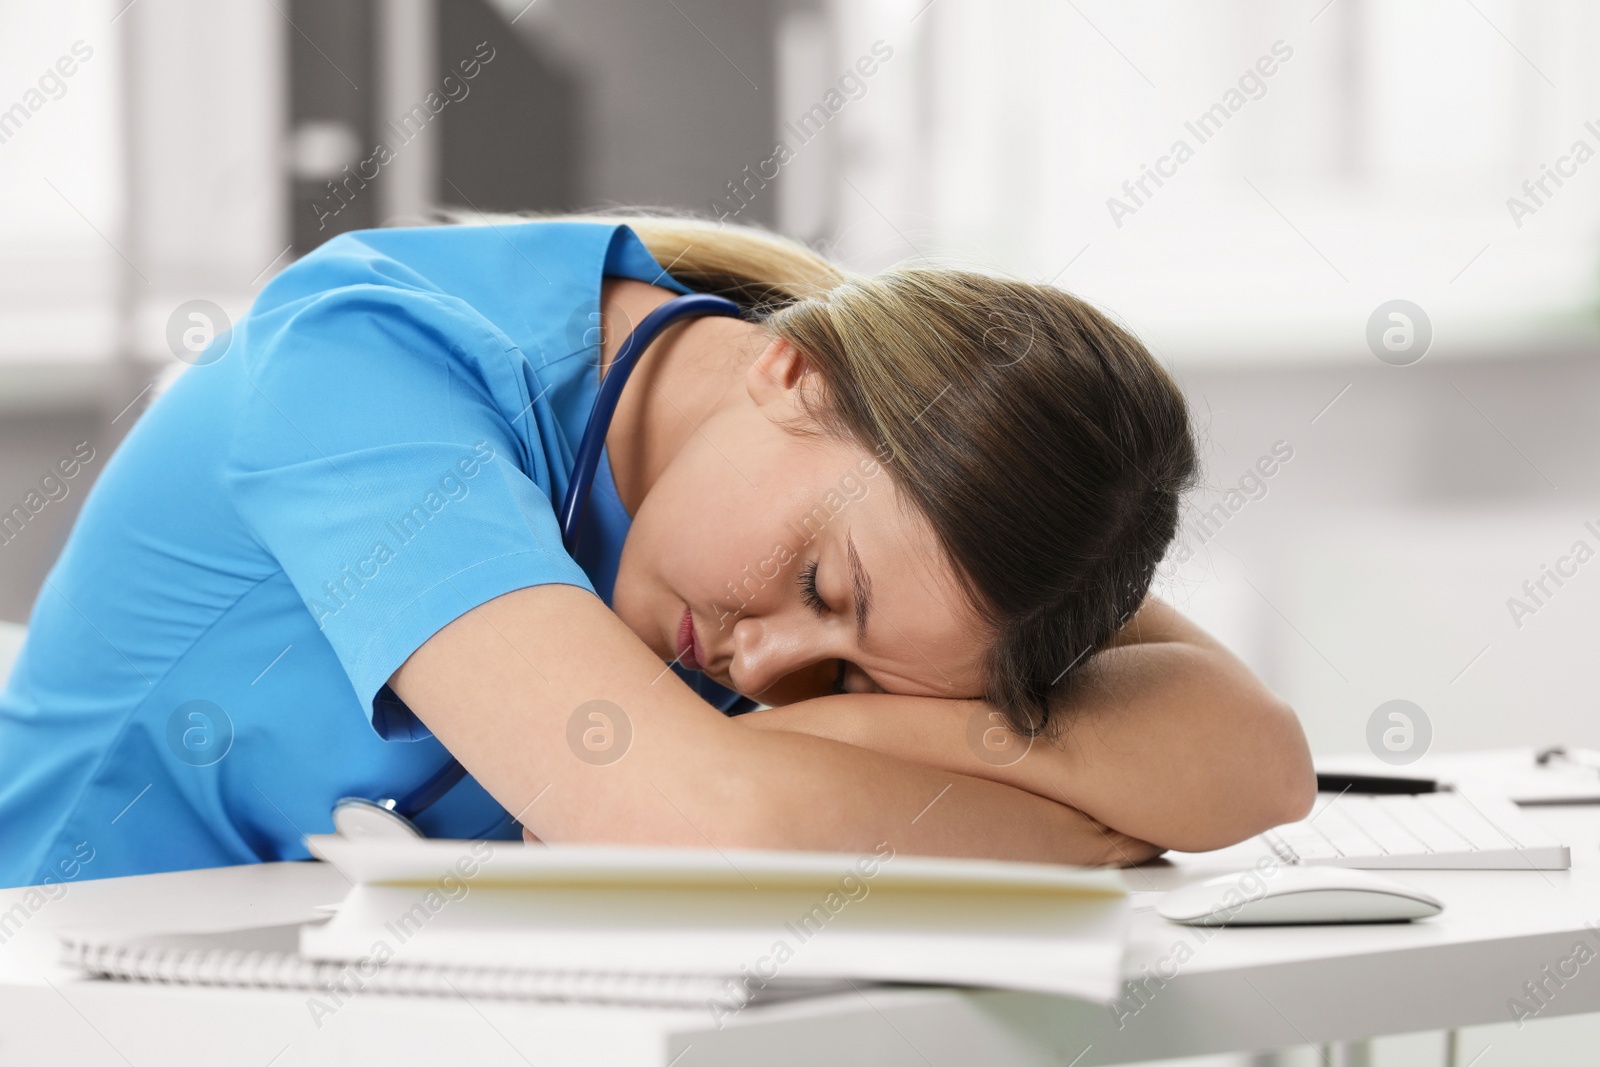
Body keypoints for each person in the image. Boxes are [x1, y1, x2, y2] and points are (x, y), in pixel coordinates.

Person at [0, 212, 1313, 888]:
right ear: (793, 374)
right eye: (821, 589)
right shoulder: (365, 358)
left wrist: (937, 736)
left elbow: (1256, 762)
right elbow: (686, 816)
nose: (774, 663)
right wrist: (1066, 836)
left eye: (866, 664)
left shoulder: (891, 524)